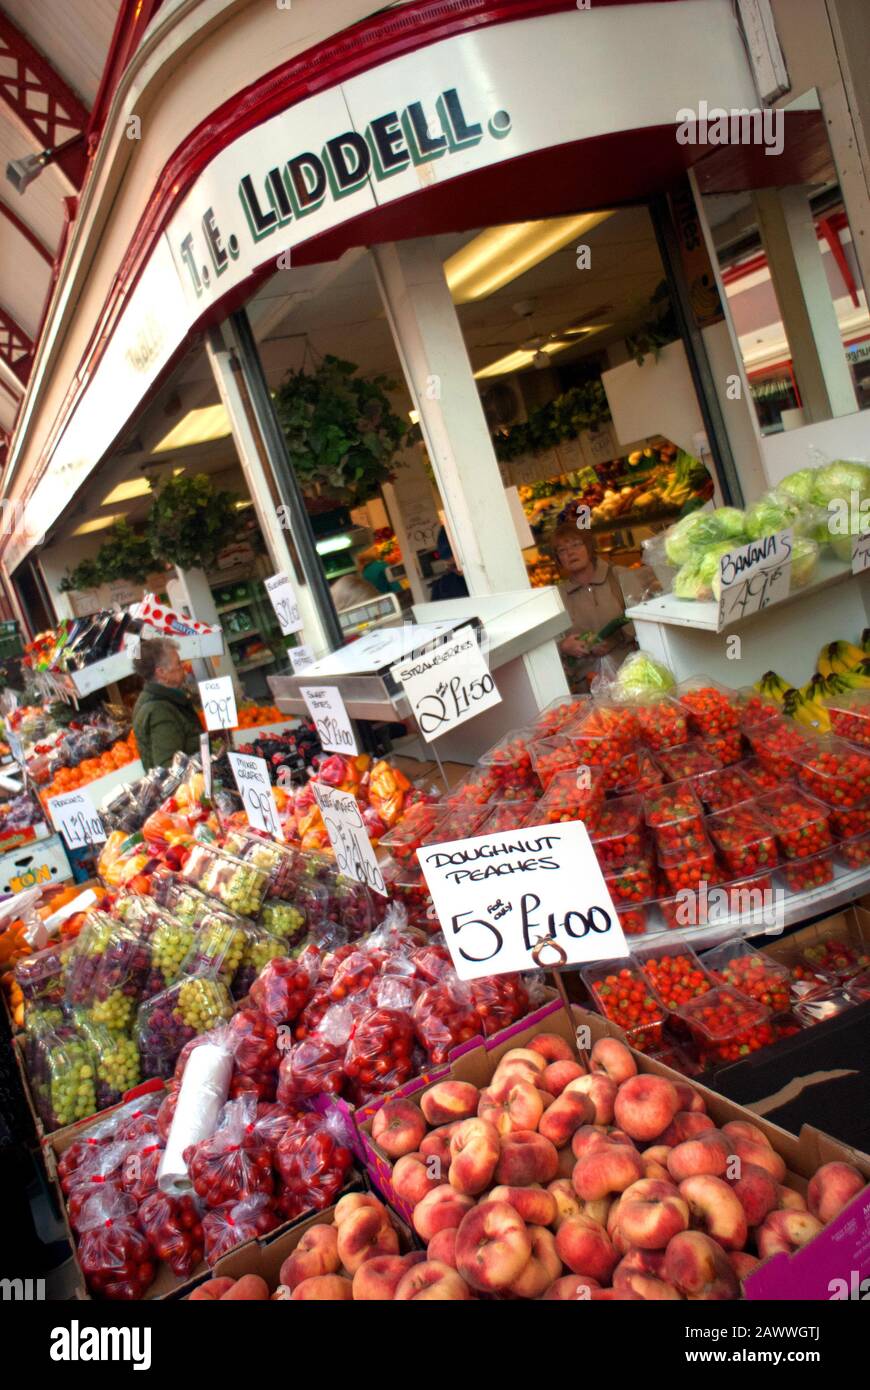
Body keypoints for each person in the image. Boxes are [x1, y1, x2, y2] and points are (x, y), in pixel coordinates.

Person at [551, 522, 653, 691]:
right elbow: (547, 643)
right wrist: (563, 646)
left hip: (634, 677)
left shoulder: (619, 575)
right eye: (562, 550)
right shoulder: (557, 596)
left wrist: (617, 638)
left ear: (589, 547)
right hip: (589, 686)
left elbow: (647, 618)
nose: (570, 553)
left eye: (576, 544)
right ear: (558, 559)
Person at [131, 637, 203, 770]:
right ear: (161, 673)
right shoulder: (159, 711)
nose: (184, 668)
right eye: (178, 664)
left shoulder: (156, 699)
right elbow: (170, 768)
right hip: (191, 788)